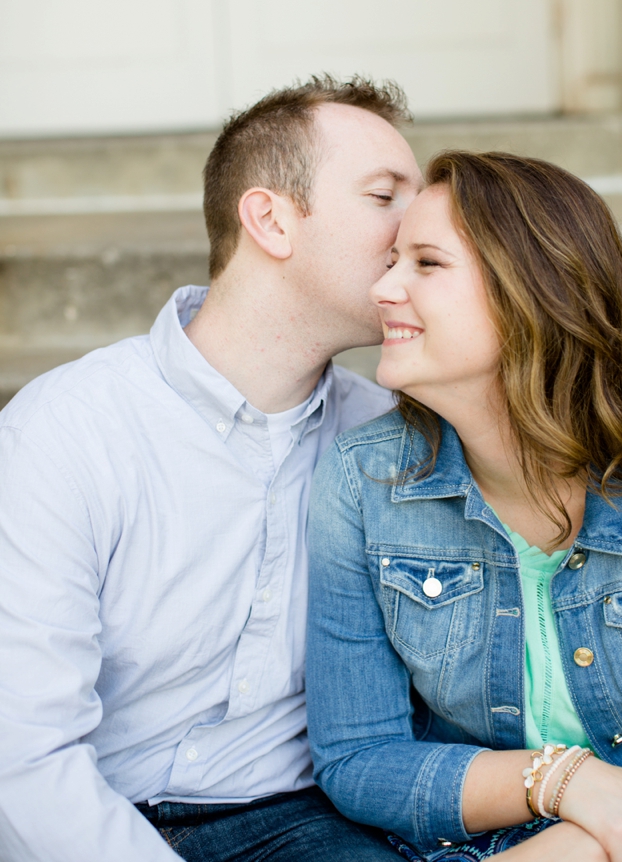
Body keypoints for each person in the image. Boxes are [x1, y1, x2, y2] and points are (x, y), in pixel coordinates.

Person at [0, 77, 427, 860]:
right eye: (383, 196)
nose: (421, 226)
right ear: (269, 219)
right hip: (92, 819)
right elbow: (22, 758)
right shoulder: (65, 430)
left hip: (305, 822)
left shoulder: (387, 438)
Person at [304, 151, 622, 862]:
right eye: (392, 260)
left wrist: (579, 849)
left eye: (426, 264)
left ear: (535, 291)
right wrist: (559, 781)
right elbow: (359, 758)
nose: (384, 288)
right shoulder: (364, 479)